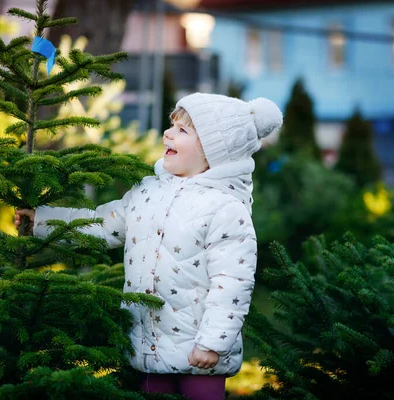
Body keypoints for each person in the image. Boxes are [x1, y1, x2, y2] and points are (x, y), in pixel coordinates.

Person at [15, 93, 283, 400]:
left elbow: (232, 284)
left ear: (214, 150)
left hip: (200, 355)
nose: (168, 133)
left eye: (183, 131)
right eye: (172, 126)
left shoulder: (225, 209)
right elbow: (102, 225)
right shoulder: (146, 191)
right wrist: (42, 222)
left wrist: (212, 343)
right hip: (146, 346)